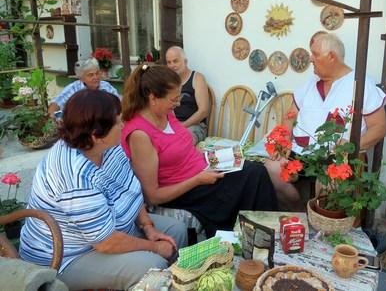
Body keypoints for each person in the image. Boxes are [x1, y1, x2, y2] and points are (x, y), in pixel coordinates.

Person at [20, 89, 187, 291]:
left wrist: (148, 227)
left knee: (176, 231)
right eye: (118, 122)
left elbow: (130, 189)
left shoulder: (108, 146)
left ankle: (175, 284)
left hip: (111, 228)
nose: (123, 125)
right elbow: (105, 242)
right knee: (153, 267)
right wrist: (154, 246)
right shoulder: (74, 176)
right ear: (96, 135)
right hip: (67, 255)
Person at [121, 65, 278, 237]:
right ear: (153, 98)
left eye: (178, 97)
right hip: (187, 190)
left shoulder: (165, 113)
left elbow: (180, 148)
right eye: (173, 99)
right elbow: (153, 196)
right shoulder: (140, 135)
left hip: (204, 168)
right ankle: (261, 236)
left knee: (255, 170)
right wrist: (197, 180)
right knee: (252, 176)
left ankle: (263, 234)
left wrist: (212, 156)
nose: (178, 104)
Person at [264, 33, 386, 208]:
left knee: (327, 183)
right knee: (271, 168)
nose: (311, 60)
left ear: (331, 57)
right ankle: (299, 210)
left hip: (336, 155)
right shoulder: (310, 83)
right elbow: (290, 117)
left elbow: (379, 127)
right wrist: (283, 141)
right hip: (301, 152)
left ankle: (319, 220)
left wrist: (352, 146)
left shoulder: (361, 85)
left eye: (315, 54)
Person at [48, 58, 119, 119]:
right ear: (82, 78)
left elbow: (118, 104)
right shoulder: (73, 89)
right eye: (91, 75)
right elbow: (55, 105)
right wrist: (56, 118)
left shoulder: (106, 87)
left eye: (97, 73)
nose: (96, 77)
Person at [166, 46, 209, 144]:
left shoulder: (197, 78)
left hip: (194, 126)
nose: (172, 65)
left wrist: (182, 125)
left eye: (175, 61)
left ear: (185, 61)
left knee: (180, 143)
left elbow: (203, 111)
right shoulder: (167, 82)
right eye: (169, 62)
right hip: (171, 124)